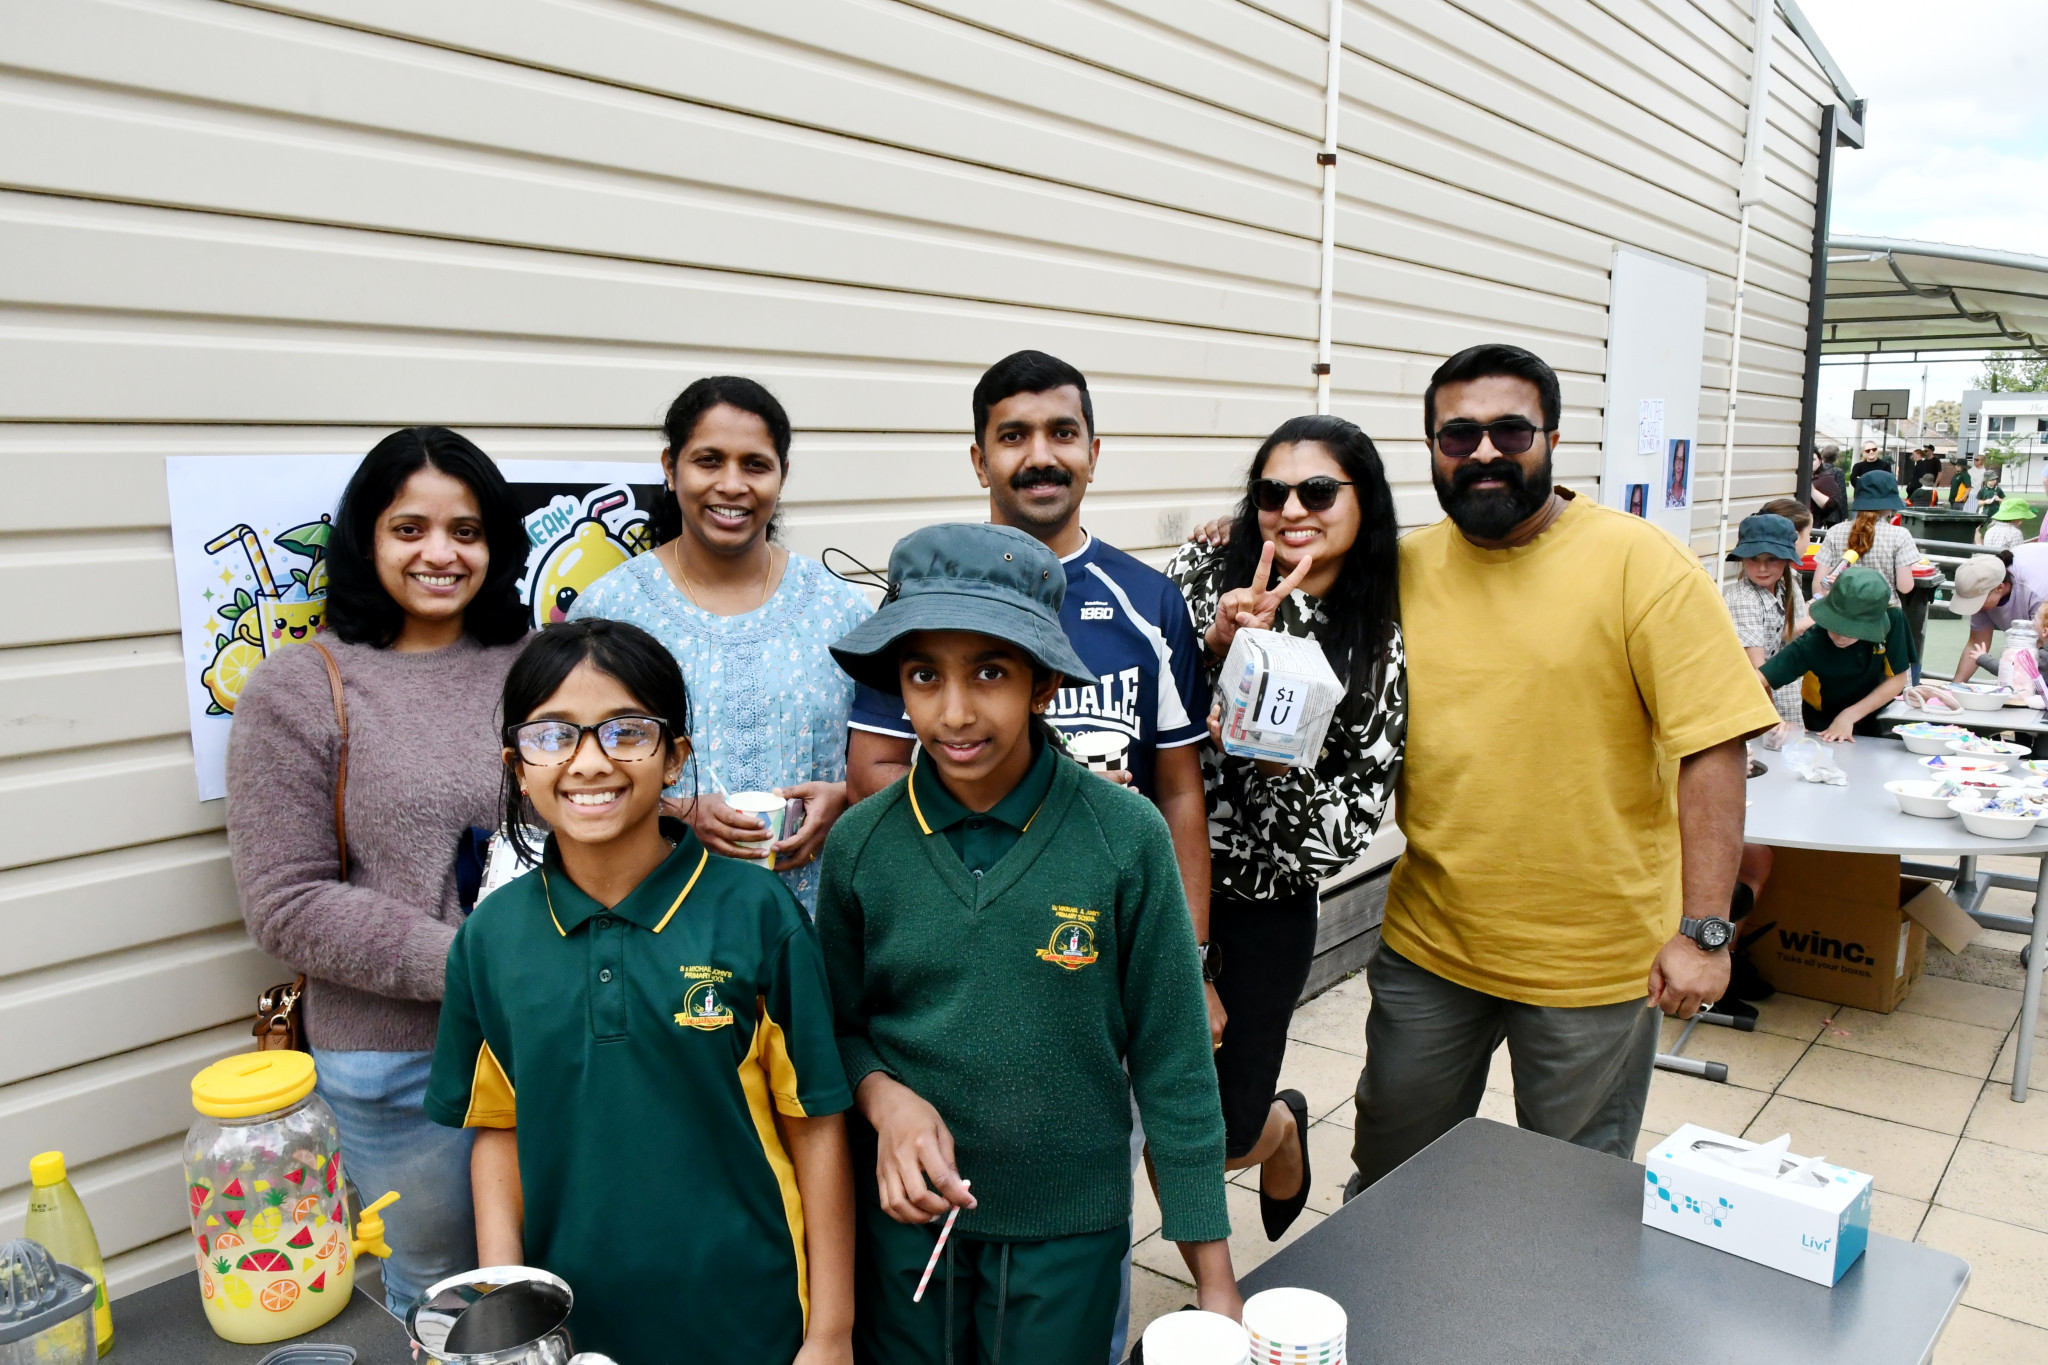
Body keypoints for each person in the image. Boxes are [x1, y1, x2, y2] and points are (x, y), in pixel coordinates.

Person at [1344, 343, 1777, 1194]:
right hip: (1435, 944)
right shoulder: (1402, 568)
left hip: (1597, 967)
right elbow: (1295, 555)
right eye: (1457, 436)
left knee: (1570, 1202)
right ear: (1432, 448)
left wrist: (1706, 930)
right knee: (1393, 1180)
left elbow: (1714, 745)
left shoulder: (1640, 564)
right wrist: (1231, 531)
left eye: (1511, 430)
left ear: (1552, 437)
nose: (1485, 454)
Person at [818, 524, 1239, 1364]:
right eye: (924, 674)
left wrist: (1216, 1282)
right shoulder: (863, 843)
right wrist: (883, 1097)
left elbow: (1175, 1065)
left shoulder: (1125, 837)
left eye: (991, 671)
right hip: (908, 1228)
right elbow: (835, 1025)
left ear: (1045, 681)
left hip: (1069, 1233)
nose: (956, 710)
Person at [426, 619, 855, 1365]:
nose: (590, 761)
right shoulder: (490, 940)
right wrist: (508, 1313)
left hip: (751, 1319)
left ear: (674, 758)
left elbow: (815, 1127)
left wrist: (832, 1333)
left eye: (626, 732)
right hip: (573, 1330)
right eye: (553, 735)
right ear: (517, 766)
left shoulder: (755, 914)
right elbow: (498, 1133)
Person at [226, 427, 530, 1310]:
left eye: (466, 530)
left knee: (549, 1269)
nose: (441, 553)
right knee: (446, 1292)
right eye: (410, 529)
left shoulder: (541, 662)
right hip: (400, 1059)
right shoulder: (301, 686)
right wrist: (471, 965)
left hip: (551, 1030)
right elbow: (286, 902)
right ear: (367, 539)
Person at [1165, 414, 1404, 1239]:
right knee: (1151, 1115)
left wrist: (1276, 746)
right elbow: (1143, 707)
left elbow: (1341, 837)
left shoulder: (1377, 639)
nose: (1292, 508)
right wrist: (1212, 644)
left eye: (1318, 490)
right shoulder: (1205, 569)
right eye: (1272, 491)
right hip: (1158, 884)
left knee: (1226, 1132)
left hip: (1264, 906)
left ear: (1363, 500)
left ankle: (1280, 1128)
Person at [569, 376, 871, 913]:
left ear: (781, 476)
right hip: (657, 919)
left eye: (755, 464)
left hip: (818, 922)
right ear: (670, 467)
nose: (732, 485)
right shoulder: (611, 610)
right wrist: (677, 812)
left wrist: (848, 800)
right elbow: (573, 762)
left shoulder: (841, 610)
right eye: (708, 461)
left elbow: (893, 757)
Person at [1757, 567, 1914, 741]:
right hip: (1824, 718)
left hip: (1875, 708)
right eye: (1834, 625)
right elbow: (1755, 681)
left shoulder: (1893, 619)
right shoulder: (1812, 642)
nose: (1839, 635)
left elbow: (1898, 679)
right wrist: (1772, 720)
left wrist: (1849, 715)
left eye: (1850, 629)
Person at [1723, 513, 1807, 730]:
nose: (1762, 568)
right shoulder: (1744, 598)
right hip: (1754, 707)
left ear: (1787, 559)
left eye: (1772, 559)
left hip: (1786, 699)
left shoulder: (1789, 587)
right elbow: (1757, 669)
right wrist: (1773, 720)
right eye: (1754, 559)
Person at [1813, 471, 1917, 605]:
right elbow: (1905, 587)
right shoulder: (1900, 535)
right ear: (1890, 505)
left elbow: (1818, 586)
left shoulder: (1834, 532)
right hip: (1883, 614)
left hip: (1841, 613)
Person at [1948, 547, 2048, 682]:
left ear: (2000, 588)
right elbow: (1976, 643)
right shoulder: (1984, 590)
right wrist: (1955, 686)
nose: (1975, 609)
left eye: (1977, 602)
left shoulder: (2037, 593)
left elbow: (2036, 649)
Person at [1810, 448, 1847, 529]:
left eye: (1813, 459)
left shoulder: (1826, 476)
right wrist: (1844, 515)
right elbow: (1842, 494)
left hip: (1823, 517)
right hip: (1832, 516)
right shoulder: (1837, 471)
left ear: (1821, 460)